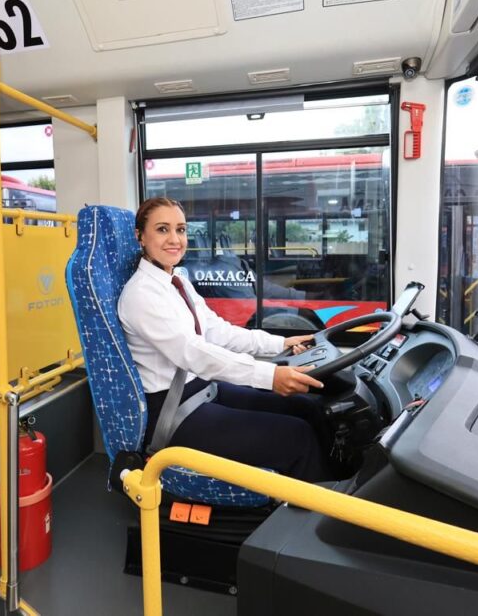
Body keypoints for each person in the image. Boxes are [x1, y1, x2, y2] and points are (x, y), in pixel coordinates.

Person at [118, 197, 336, 482]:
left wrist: (279, 343)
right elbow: (194, 353)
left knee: (307, 408)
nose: (174, 239)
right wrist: (270, 376)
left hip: (202, 390)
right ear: (140, 237)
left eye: (180, 230)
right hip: (174, 412)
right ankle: (320, 508)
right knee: (297, 437)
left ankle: (345, 484)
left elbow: (216, 330)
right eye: (162, 229)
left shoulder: (176, 282)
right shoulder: (141, 294)